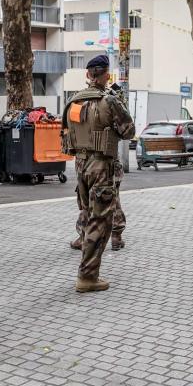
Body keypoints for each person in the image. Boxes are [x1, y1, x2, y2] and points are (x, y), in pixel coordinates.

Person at [61, 55, 136, 292]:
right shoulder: (109, 101)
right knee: (100, 220)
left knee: (86, 211)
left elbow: (67, 134)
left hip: (80, 165)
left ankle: (83, 246)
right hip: (101, 166)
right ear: (105, 75)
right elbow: (128, 132)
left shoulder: (73, 102)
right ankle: (87, 276)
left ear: (87, 75)